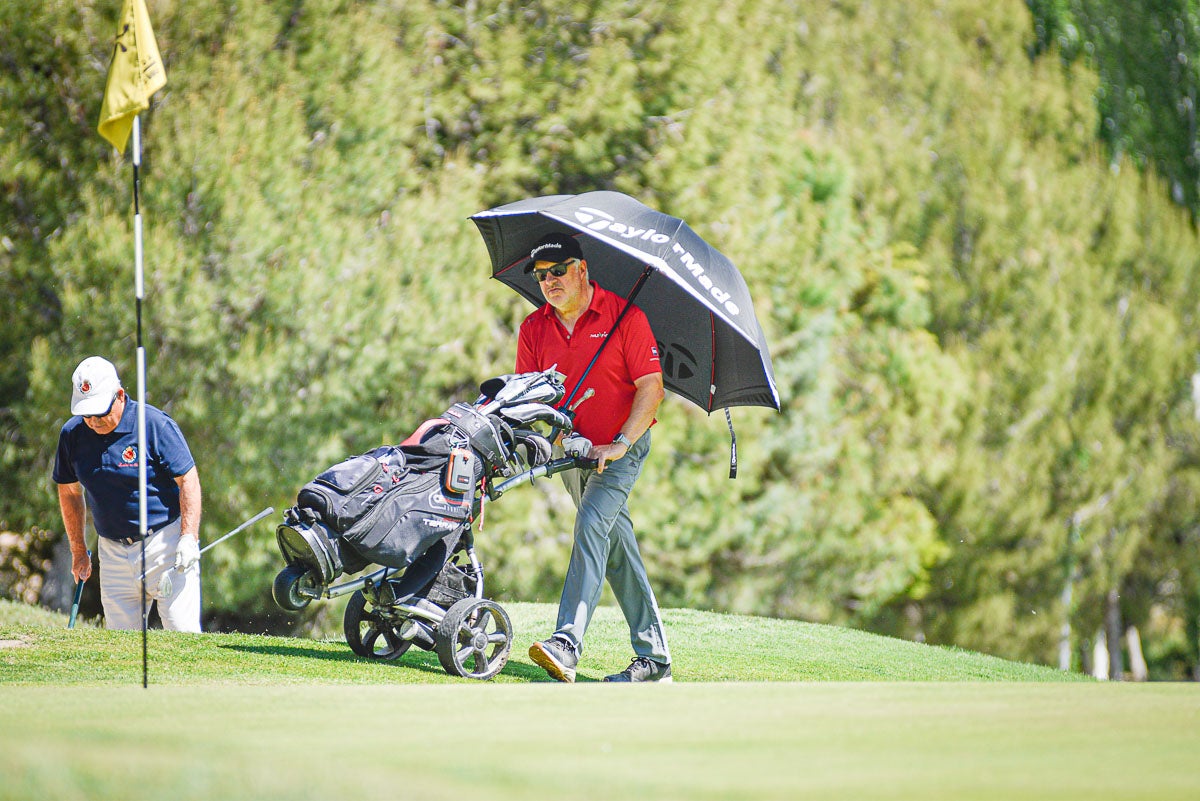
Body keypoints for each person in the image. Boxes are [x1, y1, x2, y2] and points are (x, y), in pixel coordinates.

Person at [516, 232, 672, 683]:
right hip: (574, 453)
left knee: (590, 525)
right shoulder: (533, 328)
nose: (549, 281)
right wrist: (558, 437)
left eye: (558, 271)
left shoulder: (626, 317)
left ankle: (566, 643)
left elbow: (652, 388)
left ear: (582, 270)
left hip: (622, 448)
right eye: (541, 276)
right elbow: (528, 398)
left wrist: (619, 443)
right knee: (614, 545)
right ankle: (655, 661)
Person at [53, 356, 204, 632]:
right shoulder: (72, 435)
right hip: (112, 553)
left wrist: (188, 538)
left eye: (100, 413)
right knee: (122, 643)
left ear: (120, 396)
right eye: (86, 414)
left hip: (165, 545)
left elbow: (188, 480)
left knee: (182, 632)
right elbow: (70, 491)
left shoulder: (154, 425)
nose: (93, 421)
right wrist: (78, 550)